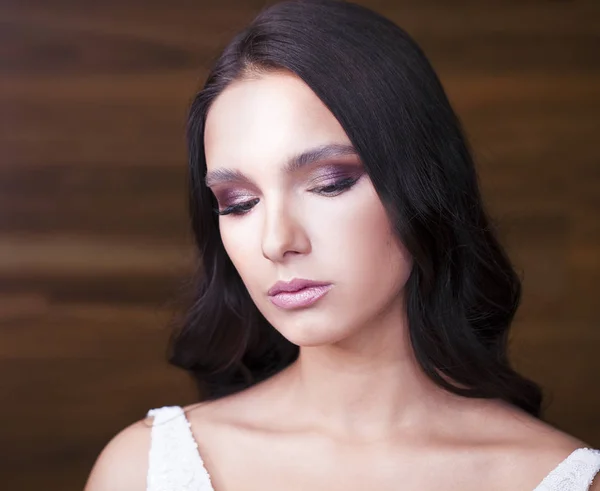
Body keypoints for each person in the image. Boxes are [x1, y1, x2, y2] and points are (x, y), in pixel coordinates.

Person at [84, 0, 600, 489]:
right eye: (239, 202)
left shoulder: (555, 477)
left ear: (423, 184)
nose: (276, 241)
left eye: (329, 182)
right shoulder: (147, 469)